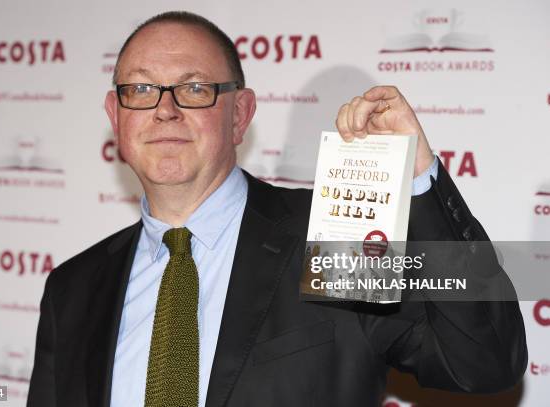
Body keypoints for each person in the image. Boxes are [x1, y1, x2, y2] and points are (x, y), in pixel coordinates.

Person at [27, 11, 527, 407]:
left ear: (240, 114)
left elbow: (484, 362)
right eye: (140, 89)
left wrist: (417, 178)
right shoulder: (73, 288)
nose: (165, 109)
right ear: (116, 116)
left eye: (195, 88)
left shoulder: (334, 237)